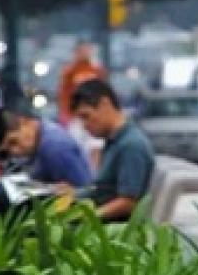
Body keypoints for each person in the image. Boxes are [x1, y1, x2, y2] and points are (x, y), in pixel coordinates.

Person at [60, 79, 156, 223]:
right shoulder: (114, 141)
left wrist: (85, 217)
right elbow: (103, 190)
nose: (84, 126)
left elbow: (128, 202)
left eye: (86, 116)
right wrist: (74, 194)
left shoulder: (130, 145)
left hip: (114, 231)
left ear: (105, 104)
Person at [0, 107, 93, 190]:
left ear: (24, 122)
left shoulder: (54, 148)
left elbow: (86, 191)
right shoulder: (40, 139)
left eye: (13, 142)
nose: (15, 152)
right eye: (7, 152)